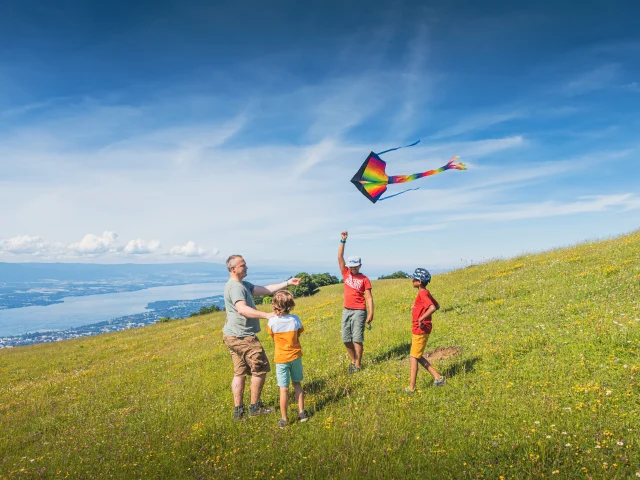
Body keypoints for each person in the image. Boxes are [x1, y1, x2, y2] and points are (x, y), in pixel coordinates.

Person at [222, 254, 301, 420]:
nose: (246, 267)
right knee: (260, 369)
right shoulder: (236, 287)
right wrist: (266, 315)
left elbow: (267, 289)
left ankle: (239, 410)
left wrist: (287, 283)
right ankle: (254, 407)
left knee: (240, 372)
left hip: (231, 335)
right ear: (233, 269)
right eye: (243, 265)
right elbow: (242, 309)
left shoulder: (242, 285)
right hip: (243, 337)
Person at [266, 290, 309, 428]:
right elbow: (299, 334)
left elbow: (272, 336)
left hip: (281, 359)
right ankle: (302, 413)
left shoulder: (271, 322)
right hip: (295, 357)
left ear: (274, 305)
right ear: (290, 305)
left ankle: (284, 419)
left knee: (283, 389)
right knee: (297, 384)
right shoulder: (295, 319)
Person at [338, 231, 373, 374]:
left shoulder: (364, 279)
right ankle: (353, 360)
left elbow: (369, 297)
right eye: (351, 266)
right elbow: (339, 257)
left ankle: (358, 364)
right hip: (346, 310)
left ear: (360, 266)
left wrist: (371, 312)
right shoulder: (345, 273)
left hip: (359, 311)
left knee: (357, 339)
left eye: (355, 266)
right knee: (346, 339)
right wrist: (343, 241)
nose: (353, 269)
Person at [407, 268, 445, 392]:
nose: (412, 280)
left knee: (413, 357)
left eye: (414, 279)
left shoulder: (422, 293)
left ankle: (411, 387)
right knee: (417, 355)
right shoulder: (426, 292)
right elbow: (437, 305)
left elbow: (433, 307)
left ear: (419, 281)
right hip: (420, 329)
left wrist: (421, 318)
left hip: (420, 329)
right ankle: (438, 377)